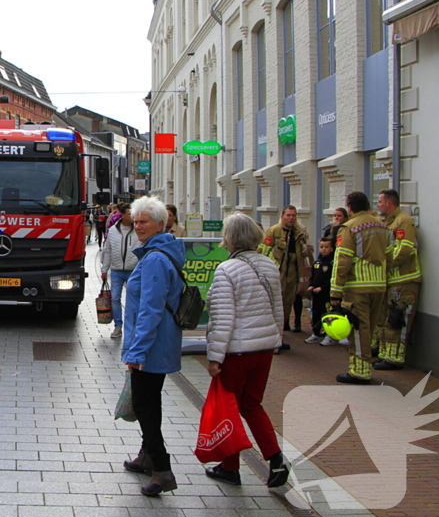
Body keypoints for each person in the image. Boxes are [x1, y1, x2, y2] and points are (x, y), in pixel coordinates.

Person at [203, 212, 289, 488]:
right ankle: (276, 461)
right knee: (252, 404)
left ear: (231, 238)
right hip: (263, 347)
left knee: (227, 408)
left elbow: (222, 318)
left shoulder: (226, 270)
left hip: (237, 351)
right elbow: (278, 307)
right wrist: (277, 338)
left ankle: (230, 468)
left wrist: (215, 357)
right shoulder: (269, 265)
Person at [120, 196, 184, 497]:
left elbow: (151, 309)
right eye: (136, 220)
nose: (138, 226)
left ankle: (162, 469)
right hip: (156, 344)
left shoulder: (156, 259)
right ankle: (147, 457)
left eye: (144, 221)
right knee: (150, 402)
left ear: (161, 224)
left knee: (145, 406)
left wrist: (136, 351)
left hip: (151, 347)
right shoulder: (156, 253)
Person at [331, 192, 391, 384]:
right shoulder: (383, 226)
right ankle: (364, 367)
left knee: (358, 329)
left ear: (349, 207)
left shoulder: (349, 228)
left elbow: (342, 262)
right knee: (371, 327)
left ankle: (360, 371)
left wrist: (335, 292)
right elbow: (390, 257)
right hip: (379, 285)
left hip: (357, 287)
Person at [376, 189, 421, 370]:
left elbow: (404, 249)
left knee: (397, 318)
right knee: (386, 318)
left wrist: (386, 265)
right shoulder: (385, 222)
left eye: (380, 202)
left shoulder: (404, 221)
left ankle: (395, 358)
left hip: (404, 280)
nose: (378, 205)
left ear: (389, 203)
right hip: (390, 281)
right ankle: (385, 354)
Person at [257, 205, 308, 333]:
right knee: (274, 301)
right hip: (276, 272)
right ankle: (271, 332)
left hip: (292, 272)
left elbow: (304, 251)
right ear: (282, 216)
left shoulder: (299, 232)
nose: (291, 218)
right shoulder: (273, 231)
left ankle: (281, 331)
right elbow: (263, 252)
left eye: (294, 215)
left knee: (288, 302)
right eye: (288, 215)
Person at [100, 205, 139, 340]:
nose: (132, 217)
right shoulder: (113, 231)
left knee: (133, 299)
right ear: (122, 215)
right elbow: (108, 250)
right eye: (129, 214)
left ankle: (132, 326)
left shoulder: (138, 230)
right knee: (115, 298)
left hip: (133, 270)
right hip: (116, 270)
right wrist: (104, 269)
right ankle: (118, 326)